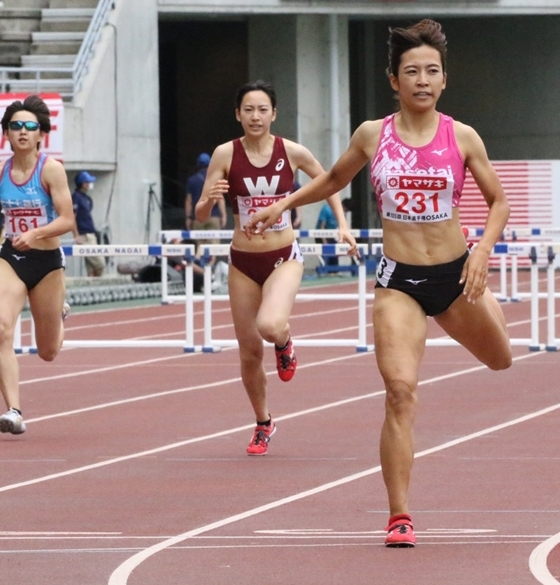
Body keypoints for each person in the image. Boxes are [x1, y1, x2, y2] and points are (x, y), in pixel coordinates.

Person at [245, 19, 513, 547]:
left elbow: (499, 201)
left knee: (502, 359)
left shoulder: (462, 136)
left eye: (431, 71)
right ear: (394, 79)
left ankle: (490, 305)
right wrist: (283, 203)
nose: (422, 80)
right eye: (411, 71)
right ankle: (399, 515)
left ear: (443, 80)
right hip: (399, 283)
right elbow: (333, 178)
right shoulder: (374, 134)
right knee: (399, 392)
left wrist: (483, 250)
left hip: (456, 276)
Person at [195, 80, 358, 456]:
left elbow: (330, 182)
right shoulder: (224, 154)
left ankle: (284, 342)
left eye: (262, 109)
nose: (255, 116)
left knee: (269, 326)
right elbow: (204, 215)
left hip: (283, 256)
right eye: (248, 109)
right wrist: (207, 200)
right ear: (238, 114)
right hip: (242, 261)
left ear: (274, 114)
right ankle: (263, 422)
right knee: (249, 352)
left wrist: (343, 226)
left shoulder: (292, 151)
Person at [0, 94, 75, 435]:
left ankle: (59, 314)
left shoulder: (51, 170)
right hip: (11, 258)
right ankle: (14, 410)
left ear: (41, 134)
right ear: (7, 134)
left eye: (30, 126)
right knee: (1, 328)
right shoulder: (2, 170)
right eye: (16, 126)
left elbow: (68, 220)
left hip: (46, 261)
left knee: (48, 352)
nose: (23, 132)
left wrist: (36, 234)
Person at [71, 170, 105, 277]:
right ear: (83, 183)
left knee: (91, 268)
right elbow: (72, 217)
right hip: (84, 236)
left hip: (91, 234)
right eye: (87, 182)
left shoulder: (87, 198)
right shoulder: (76, 197)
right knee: (100, 264)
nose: (89, 184)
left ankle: (94, 289)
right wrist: (76, 235)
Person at [185, 152, 226, 239]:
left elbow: (189, 201)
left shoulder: (192, 180)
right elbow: (220, 198)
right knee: (214, 248)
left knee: (200, 247)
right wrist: (223, 215)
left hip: (198, 217)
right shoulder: (215, 179)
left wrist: (189, 217)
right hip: (214, 216)